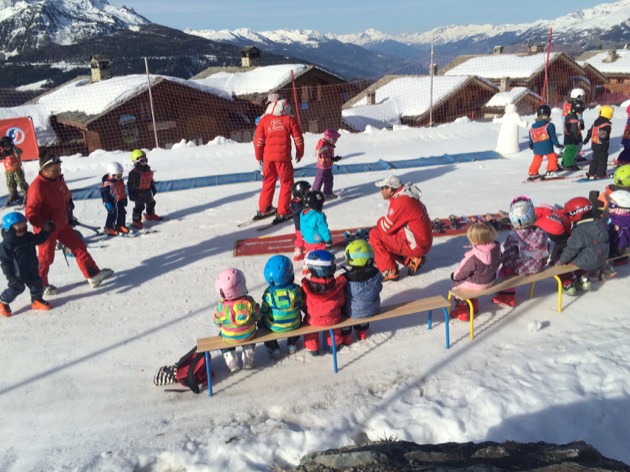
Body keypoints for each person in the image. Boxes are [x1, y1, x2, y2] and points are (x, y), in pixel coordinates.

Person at [25, 152, 113, 294]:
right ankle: (40, 285)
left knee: (79, 246)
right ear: (44, 170)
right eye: (54, 170)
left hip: (62, 222)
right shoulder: (37, 187)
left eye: (59, 169)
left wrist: (69, 207)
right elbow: (31, 212)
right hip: (47, 228)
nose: (58, 172)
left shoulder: (58, 179)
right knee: (46, 257)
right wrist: (44, 224)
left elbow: (65, 194)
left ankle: (92, 274)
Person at [369, 175, 432, 282]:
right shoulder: (407, 196)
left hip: (417, 245)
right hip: (421, 240)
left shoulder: (400, 202)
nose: (381, 191)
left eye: (382, 188)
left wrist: (380, 221)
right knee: (392, 232)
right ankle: (412, 259)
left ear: (390, 189)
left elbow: (385, 227)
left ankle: (389, 270)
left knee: (375, 235)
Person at [254, 98, 304, 225]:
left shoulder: (264, 120)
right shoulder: (289, 120)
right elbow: (298, 138)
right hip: (283, 159)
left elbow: (258, 141)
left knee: (268, 181)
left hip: (268, 159)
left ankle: (264, 209)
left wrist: (259, 156)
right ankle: (283, 211)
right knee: (286, 183)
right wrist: (300, 152)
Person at [492, 196, 548, 307]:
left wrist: (503, 261)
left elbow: (509, 256)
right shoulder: (541, 232)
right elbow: (546, 248)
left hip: (520, 268)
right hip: (538, 265)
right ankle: (506, 292)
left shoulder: (514, 236)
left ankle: (507, 295)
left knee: (505, 271)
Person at [0, 212, 53, 317]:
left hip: (31, 268)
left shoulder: (27, 236)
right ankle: (2, 301)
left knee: (36, 283)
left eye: (23, 224)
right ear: (10, 228)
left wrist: (46, 231)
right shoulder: (7, 244)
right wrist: (11, 276)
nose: (22, 228)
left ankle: (36, 300)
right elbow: (5, 262)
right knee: (17, 288)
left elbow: (38, 239)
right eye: (18, 226)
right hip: (17, 273)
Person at [449, 222, 501, 321]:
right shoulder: (496, 250)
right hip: (490, 280)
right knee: (473, 279)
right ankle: (474, 304)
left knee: (457, 284)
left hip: (477, 284)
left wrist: (454, 277)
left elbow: (462, 271)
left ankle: (461, 310)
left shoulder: (473, 256)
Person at [557, 197, 610, 293]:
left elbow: (572, 248)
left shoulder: (579, 230)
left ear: (574, 214)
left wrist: (561, 260)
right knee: (585, 251)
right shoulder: (599, 223)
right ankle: (583, 279)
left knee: (562, 260)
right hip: (602, 258)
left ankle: (567, 284)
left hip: (588, 262)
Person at [213, 268, 261, 372]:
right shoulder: (249, 300)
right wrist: (257, 318)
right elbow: (258, 314)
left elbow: (217, 320)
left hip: (229, 337)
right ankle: (248, 355)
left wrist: (220, 323)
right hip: (248, 334)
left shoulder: (222, 305)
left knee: (221, 335)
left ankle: (231, 359)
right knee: (250, 331)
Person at [301, 250, 346, 355]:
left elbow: (304, 304)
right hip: (333, 319)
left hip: (313, 319)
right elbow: (342, 301)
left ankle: (312, 347)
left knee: (309, 330)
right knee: (335, 330)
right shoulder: (337, 286)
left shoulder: (307, 287)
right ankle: (334, 344)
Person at [340, 239, 382, 343]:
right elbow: (379, 287)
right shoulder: (376, 274)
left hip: (352, 313)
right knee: (364, 303)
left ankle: (347, 337)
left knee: (342, 309)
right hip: (373, 309)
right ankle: (362, 332)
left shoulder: (346, 278)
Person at [260, 255, 303, 358]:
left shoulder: (268, 294)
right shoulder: (297, 290)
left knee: (262, 322)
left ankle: (273, 347)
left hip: (274, 327)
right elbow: (301, 304)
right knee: (298, 315)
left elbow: (264, 311)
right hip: (294, 324)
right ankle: (292, 343)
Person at [527, 104, 563, 180]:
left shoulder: (533, 126)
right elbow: (553, 136)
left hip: (537, 147)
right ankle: (551, 171)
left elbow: (531, 135)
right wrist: (557, 144)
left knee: (537, 159)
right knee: (552, 158)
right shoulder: (550, 125)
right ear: (548, 115)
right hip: (547, 147)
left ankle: (533, 172)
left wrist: (531, 144)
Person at [127, 149, 159, 229]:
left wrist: (152, 187)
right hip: (138, 192)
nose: (144, 162)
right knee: (139, 206)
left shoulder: (147, 169)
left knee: (151, 203)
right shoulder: (134, 172)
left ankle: (150, 214)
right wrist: (131, 193)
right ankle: (136, 220)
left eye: (145, 160)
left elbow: (150, 179)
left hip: (147, 190)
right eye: (142, 161)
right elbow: (130, 184)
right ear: (136, 162)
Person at [583, 105, 614, 179]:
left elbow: (590, 131)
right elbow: (602, 135)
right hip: (601, 146)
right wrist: (604, 142)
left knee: (595, 159)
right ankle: (600, 174)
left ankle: (591, 173)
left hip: (594, 144)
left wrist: (587, 139)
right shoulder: (606, 125)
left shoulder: (596, 122)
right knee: (602, 160)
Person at [100, 162, 130, 236]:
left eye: (121, 175)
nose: (120, 177)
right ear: (111, 175)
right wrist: (108, 202)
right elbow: (105, 194)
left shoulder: (119, 180)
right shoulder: (107, 183)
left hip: (119, 199)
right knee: (113, 214)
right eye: (118, 176)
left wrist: (124, 197)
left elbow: (122, 189)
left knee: (122, 212)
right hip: (111, 201)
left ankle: (120, 225)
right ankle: (109, 228)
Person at [300, 190, 333, 256]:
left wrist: (303, 235)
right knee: (320, 256)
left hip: (307, 240)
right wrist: (328, 240)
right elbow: (323, 230)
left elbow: (302, 226)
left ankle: (306, 263)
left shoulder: (303, 213)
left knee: (309, 254)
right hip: (318, 242)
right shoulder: (319, 216)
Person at [312, 129, 342, 199]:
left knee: (324, 179)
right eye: (335, 140)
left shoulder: (328, 144)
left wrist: (333, 158)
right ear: (330, 139)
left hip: (325, 166)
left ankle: (321, 192)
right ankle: (320, 193)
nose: (336, 142)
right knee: (324, 179)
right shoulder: (323, 144)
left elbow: (327, 154)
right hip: (323, 167)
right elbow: (320, 154)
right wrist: (326, 149)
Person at [0, 135, 29, 205]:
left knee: (21, 183)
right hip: (8, 171)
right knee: (10, 184)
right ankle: (14, 195)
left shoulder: (15, 150)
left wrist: (13, 147)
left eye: (7, 146)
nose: (6, 148)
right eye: (4, 146)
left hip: (17, 170)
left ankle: (27, 194)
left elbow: (20, 152)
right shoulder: (2, 153)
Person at [604, 190, 630, 268]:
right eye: (609, 204)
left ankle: (620, 259)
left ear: (622, 209)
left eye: (612, 205)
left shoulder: (618, 222)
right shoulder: (617, 217)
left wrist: (616, 251)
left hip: (618, 248)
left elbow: (622, 239)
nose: (608, 206)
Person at [290, 180, 311, 262]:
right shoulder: (297, 205)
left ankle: (298, 253)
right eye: (307, 192)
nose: (309, 193)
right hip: (303, 228)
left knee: (299, 240)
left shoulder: (296, 202)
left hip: (299, 228)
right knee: (307, 241)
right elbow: (302, 211)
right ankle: (308, 257)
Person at [561, 100, 585, 171]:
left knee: (568, 150)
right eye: (579, 112)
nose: (580, 114)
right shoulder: (573, 119)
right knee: (571, 151)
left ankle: (564, 162)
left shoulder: (569, 116)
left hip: (568, 137)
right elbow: (574, 130)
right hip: (572, 138)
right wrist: (575, 140)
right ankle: (568, 165)